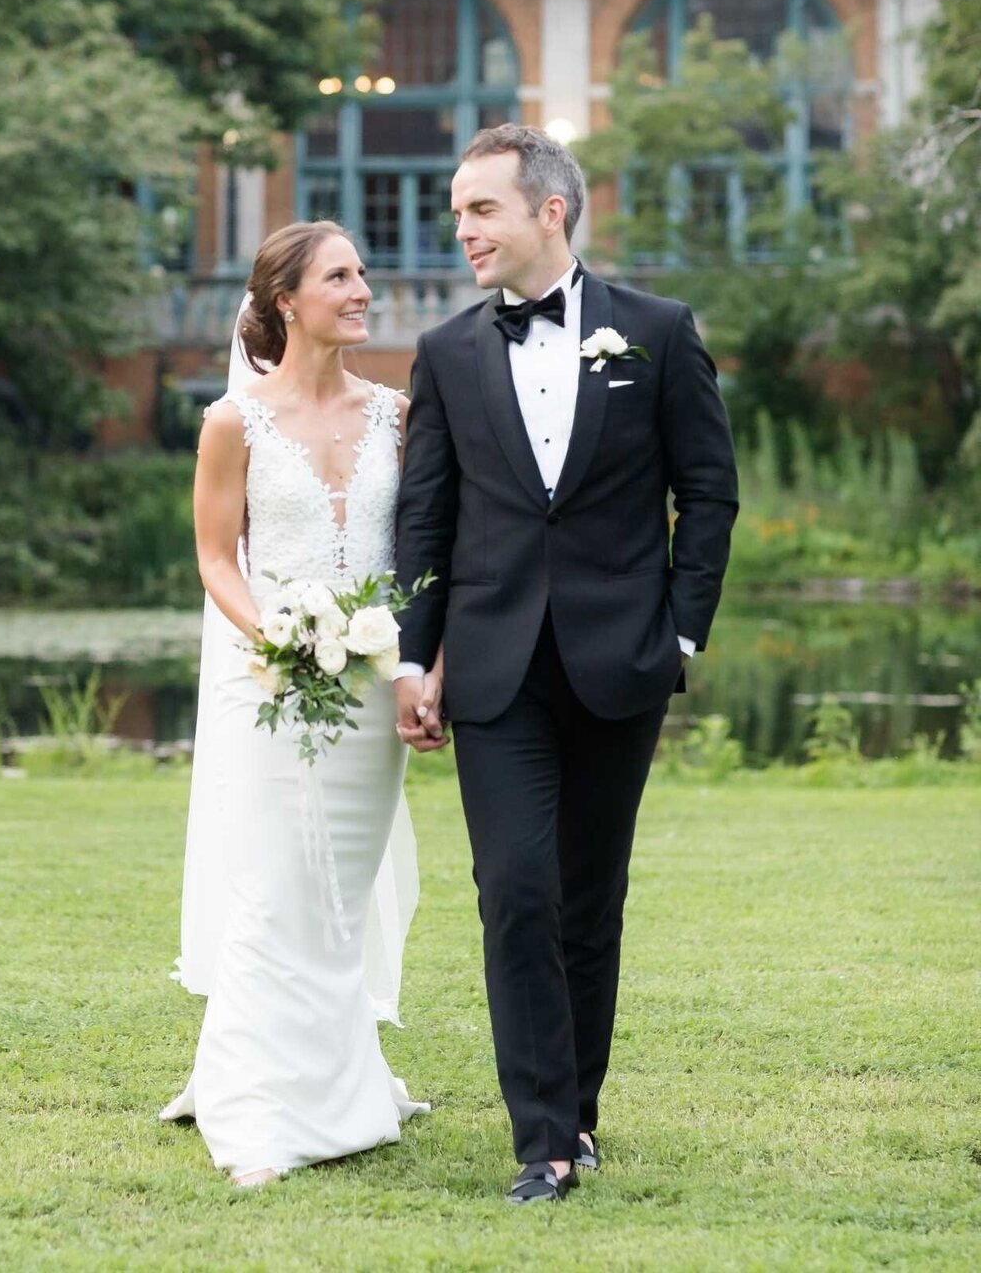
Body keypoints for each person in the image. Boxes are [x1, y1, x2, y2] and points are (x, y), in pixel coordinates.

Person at [394, 123, 738, 1205]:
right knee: (515, 892)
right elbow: (425, 517)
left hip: (617, 662)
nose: (462, 231)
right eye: (457, 212)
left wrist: (679, 632)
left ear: (550, 211)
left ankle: (578, 1116)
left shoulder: (659, 332)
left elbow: (710, 490)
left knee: (589, 898)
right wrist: (414, 658)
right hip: (493, 672)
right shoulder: (446, 353)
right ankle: (538, 1139)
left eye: (480, 209)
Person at [159, 220, 428, 1186]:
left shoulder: (397, 414)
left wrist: (413, 666)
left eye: (362, 274)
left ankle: (346, 1063)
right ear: (286, 301)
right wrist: (272, 634)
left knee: (339, 893)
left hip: (367, 688)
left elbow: (416, 556)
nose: (364, 289)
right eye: (342, 276)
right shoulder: (234, 422)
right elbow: (213, 558)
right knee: (276, 882)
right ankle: (260, 1103)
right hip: (268, 681)